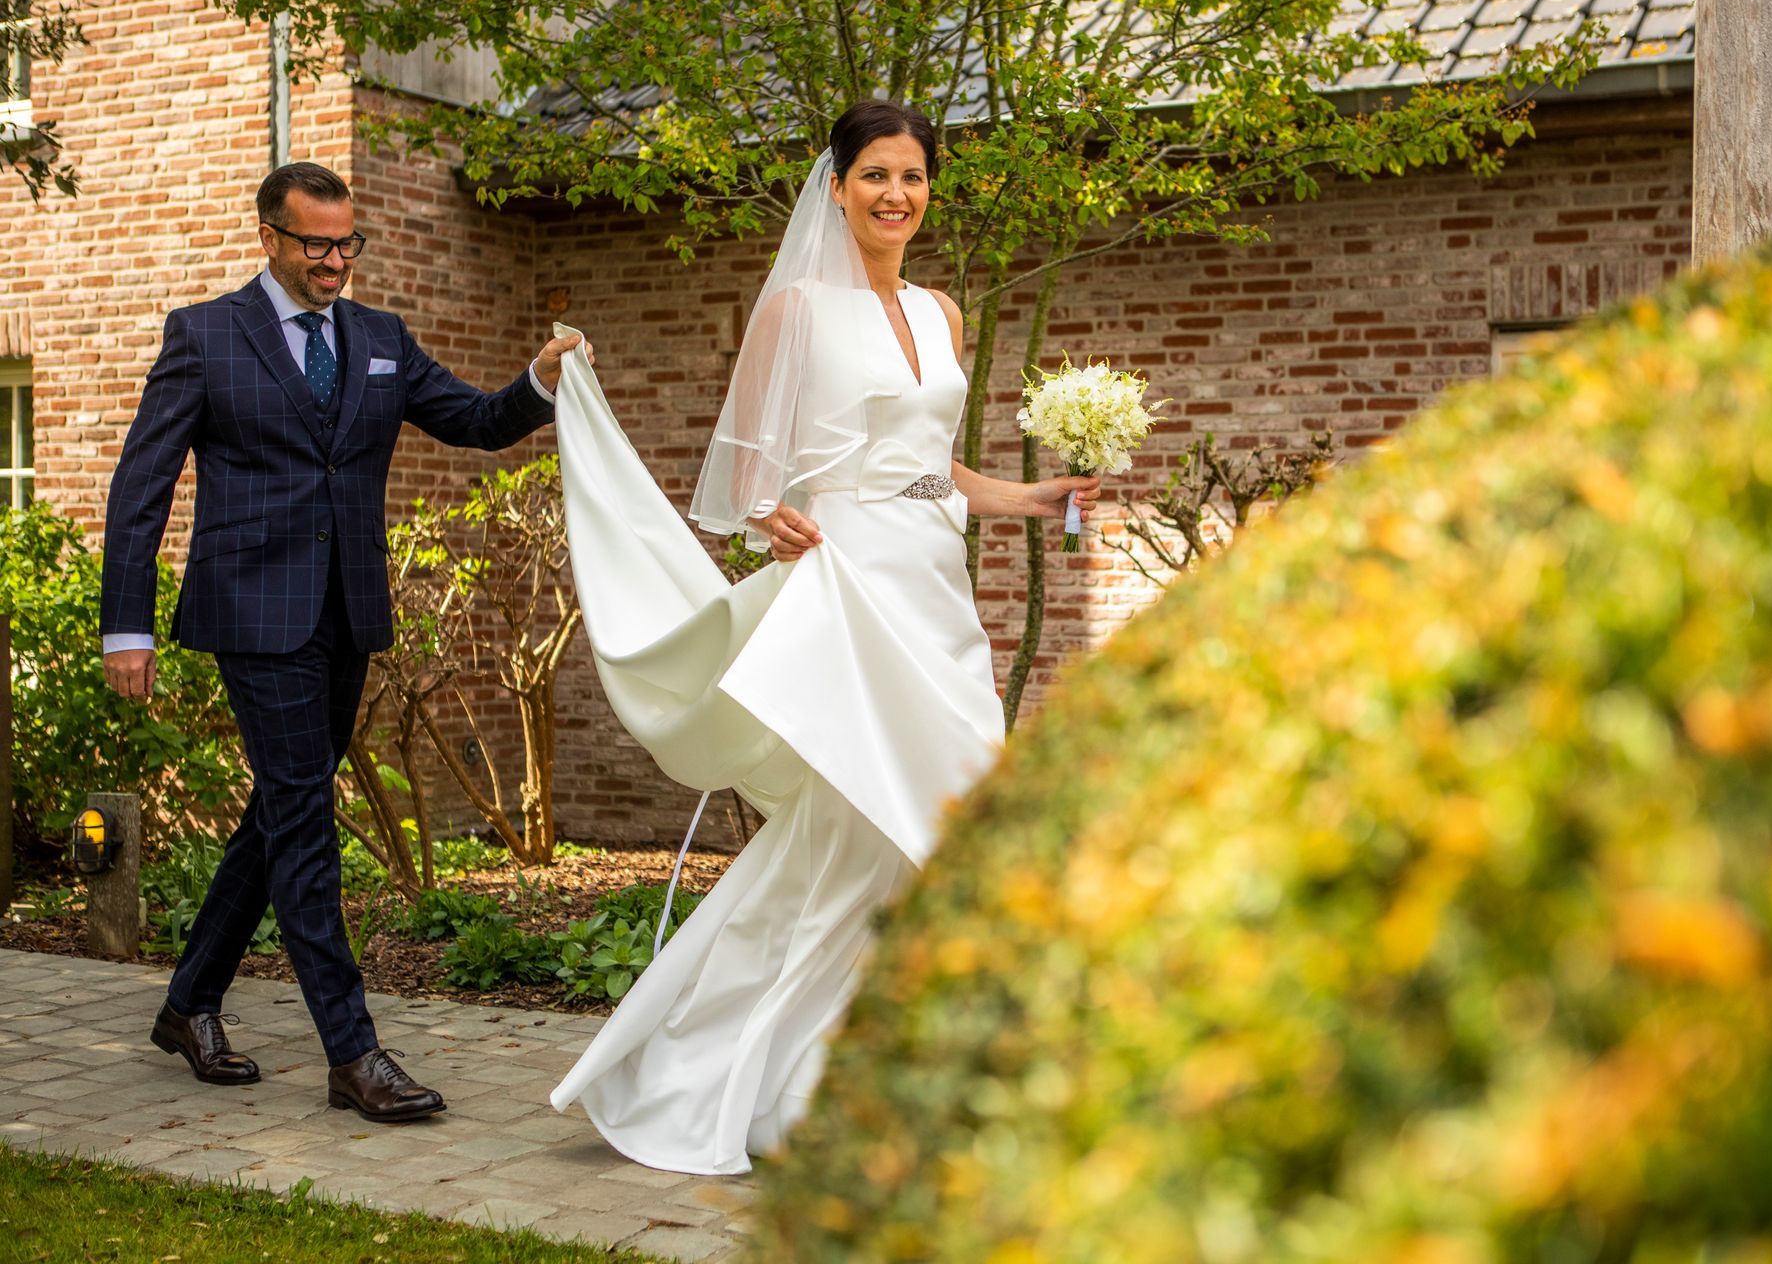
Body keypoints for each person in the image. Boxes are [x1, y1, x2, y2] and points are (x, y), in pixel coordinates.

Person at [547, 100, 1099, 1174]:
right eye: (877, 176)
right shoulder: (796, 307)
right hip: (849, 579)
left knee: (886, 836)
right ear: (837, 184)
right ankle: (786, 1073)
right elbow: (745, 458)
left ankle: (835, 1074)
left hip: (934, 590)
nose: (898, 195)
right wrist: (769, 513)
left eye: (915, 177)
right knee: (896, 824)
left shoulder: (942, 312)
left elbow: (932, 464)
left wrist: (1033, 498)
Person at [100, 161, 586, 1123]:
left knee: (279, 813)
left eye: (346, 243)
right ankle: (354, 1054)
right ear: (270, 237)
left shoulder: (380, 339)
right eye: (316, 243)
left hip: (346, 611)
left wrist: (537, 380)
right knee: (304, 824)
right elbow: (139, 486)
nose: (334, 261)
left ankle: (188, 1002)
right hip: (251, 612)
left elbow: (480, 423)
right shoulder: (205, 336)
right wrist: (128, 624)